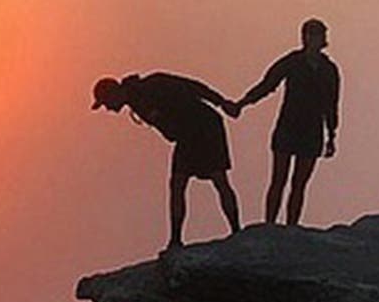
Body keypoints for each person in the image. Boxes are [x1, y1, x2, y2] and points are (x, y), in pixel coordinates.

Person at [90, 71, 243, 249]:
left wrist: (222, 102)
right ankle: (175, 240)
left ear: (113, 94)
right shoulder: (137, 103)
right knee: (177, 184)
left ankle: (236, 231)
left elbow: (191, 86)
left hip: (205, 125)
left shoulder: (152, 85)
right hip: (185, 136)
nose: (108, 109)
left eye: (106, 103)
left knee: (219, 178)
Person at [236, 18, 340, 227]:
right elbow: (267, 85)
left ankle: (292, 226)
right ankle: (270, 225)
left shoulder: (329, 69)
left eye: (318, 34)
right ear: (304, 37)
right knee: (278, 180)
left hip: (313, 130)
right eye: (311, 34)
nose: (315, 38)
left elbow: (332, 103)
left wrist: (331, 135)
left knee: (299, 184)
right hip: (288, 126)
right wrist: (243, 103)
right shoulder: (292, 62)